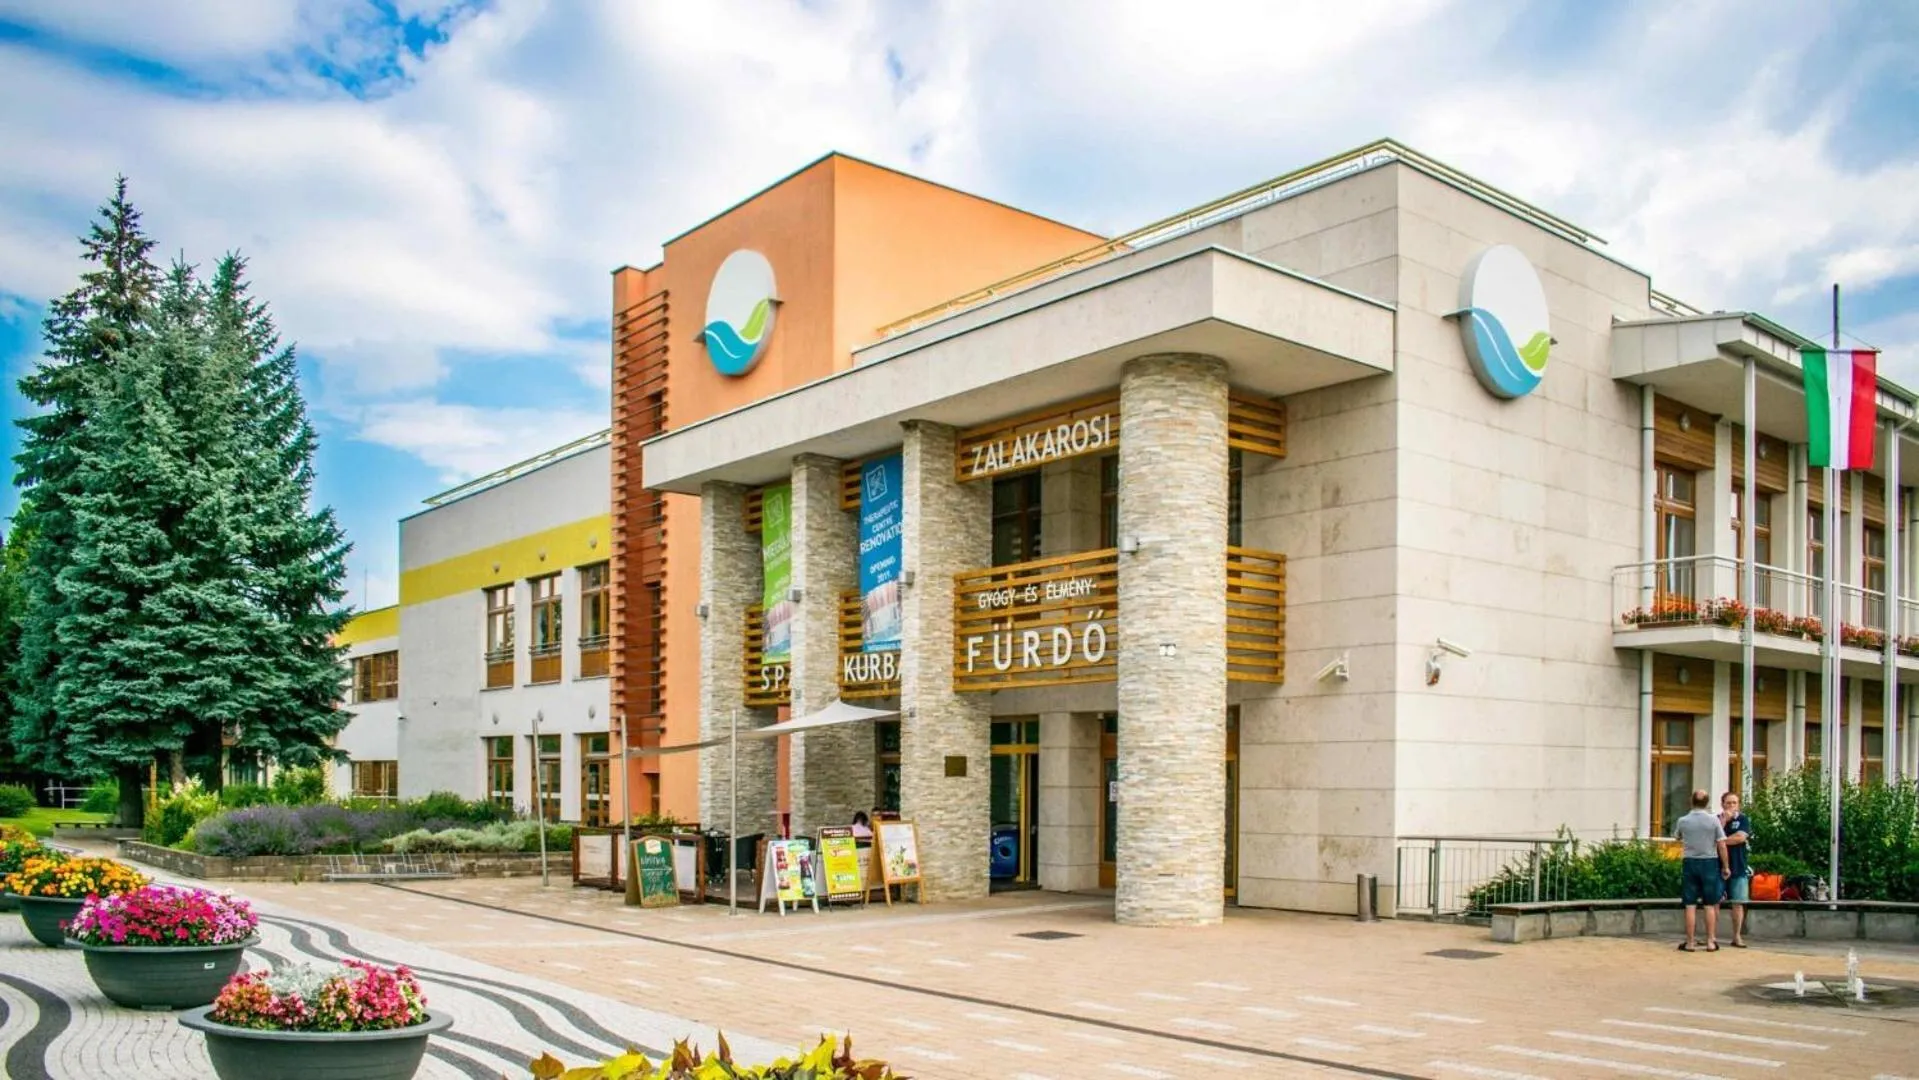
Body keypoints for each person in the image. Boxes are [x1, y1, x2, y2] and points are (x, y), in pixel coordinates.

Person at [1674, 789, 1730, 952]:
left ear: (1691, 801)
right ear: (1707, 802)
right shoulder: (1714, 821)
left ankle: (1690, 942)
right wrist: (1725, 866)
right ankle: (1711, 941)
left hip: (1690, 862)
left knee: (1690, 904)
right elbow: (1721, 844)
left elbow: (1677, 836)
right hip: (1710, 863)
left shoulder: (1683, 820)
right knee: (1710, 904)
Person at [1719, 791, 1754, 948]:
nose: (1731, 806)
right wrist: (1723, 822)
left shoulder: (1743, 819)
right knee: (1713, 902)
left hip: (1738, 866)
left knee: (1738, 902)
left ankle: (1737, 936)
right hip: (1718, 867)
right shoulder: (1717, 820)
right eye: (1728, 803)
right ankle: (1710, 936)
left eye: (1734, 803)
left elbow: (1740, 837)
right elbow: (1712, 837)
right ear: (1723, 804)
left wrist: (1721, 841)